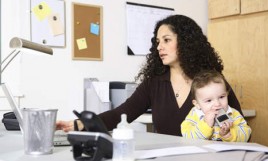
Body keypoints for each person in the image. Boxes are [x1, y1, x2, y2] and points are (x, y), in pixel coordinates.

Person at [56, 14, 242, 136]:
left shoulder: (212, 81)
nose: (159, 47)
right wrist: (81, 124)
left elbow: (242, 127)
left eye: (167, 40)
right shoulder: (154, 83)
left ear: (187, 43)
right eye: (157, 42)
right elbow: (121, 114)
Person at [181, 70, 251, 142]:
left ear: (227, 95)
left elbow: (246, 133)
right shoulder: (194, 114)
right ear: (197, 104)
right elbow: (187, 136)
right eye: (209, 100)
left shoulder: (233, 114)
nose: (217, 104)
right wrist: (206, 125)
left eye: (221, 97)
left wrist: (228, 133)